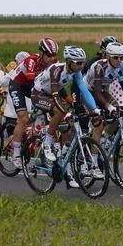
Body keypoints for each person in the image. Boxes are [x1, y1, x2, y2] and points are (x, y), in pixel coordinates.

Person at [32, 45, 102, 184]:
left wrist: (94, 110)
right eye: (79, 63)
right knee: (61, 111)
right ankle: (47, 141)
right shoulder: (56, 69)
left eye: (83, 62)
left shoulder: (76, 73)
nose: (82, 65)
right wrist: (67, 111)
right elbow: (55, 94)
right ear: (69, 61)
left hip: (53, 96)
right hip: (39, 95)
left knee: (68, 130)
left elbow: (85, 91)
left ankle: (66, 167)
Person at [7, 38, 59, 168]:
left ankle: (41, 152)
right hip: (18, 85)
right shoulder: (31, 61)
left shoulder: (54, 62)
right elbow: (32, 84)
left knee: (47, 114)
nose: (52, 58)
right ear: (41, 53)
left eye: (54, 55)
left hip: (35, 86)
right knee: (23, 118)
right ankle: (16, 154)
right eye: (48, 55)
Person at [83, 42, 123, 145]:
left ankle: (106, 140)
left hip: (102, 92)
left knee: (118, 111)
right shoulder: (100, 66)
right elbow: (96, 92)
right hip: (88, 92)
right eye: (115, 57)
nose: (119, 60)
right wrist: (108, 107)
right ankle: (92, 159)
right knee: (99, 125)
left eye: (121, 58)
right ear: (108, 56)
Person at [0, 51, 31, 122]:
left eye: (16, 61)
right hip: (28, 112)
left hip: (14, 113)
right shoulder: (32, 73)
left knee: (7, 130)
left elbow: (2, 82)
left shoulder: (16, 71)